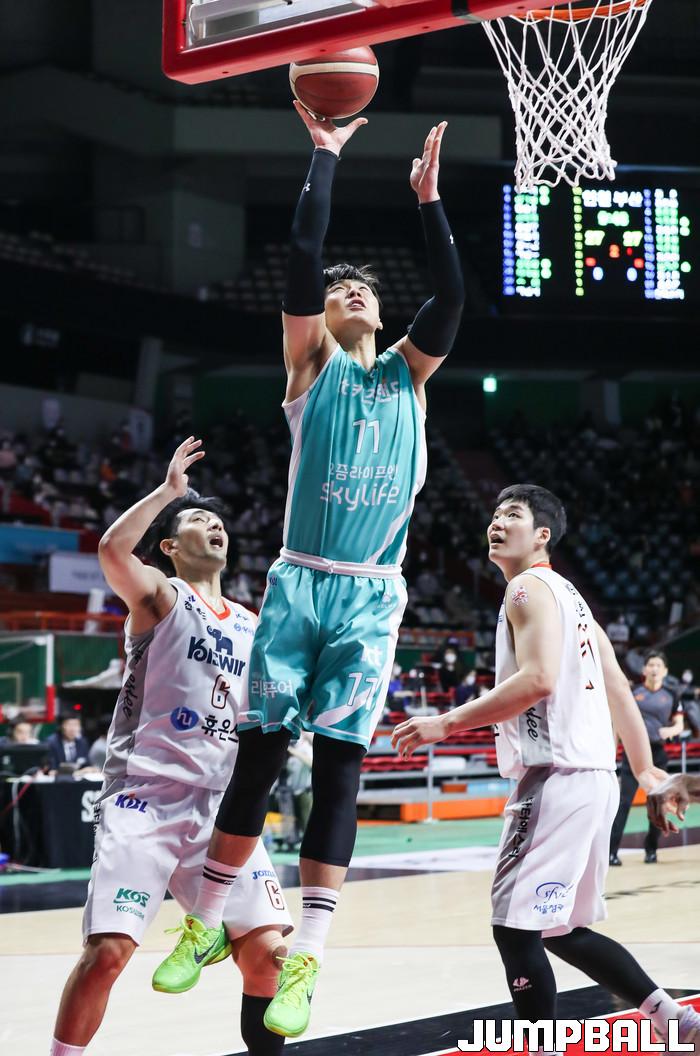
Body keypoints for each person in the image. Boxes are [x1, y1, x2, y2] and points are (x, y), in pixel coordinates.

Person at [155, 104, 464, 1039]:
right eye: (340, 291)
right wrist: (324, 154)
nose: (352, 292)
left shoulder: (408, 376)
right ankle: (205, 922)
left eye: (365, 289)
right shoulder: (310, 368)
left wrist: (430, 203)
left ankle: (310, 958)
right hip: (300, 581)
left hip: (370, 591)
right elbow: (301, 255)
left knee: (338, 770)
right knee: (258, 759)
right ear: (318, 319)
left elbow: (451, 296)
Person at [392, 484, 700, 1053]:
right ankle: (675, 1020)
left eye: (512, 514)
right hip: (595, 783)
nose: (496, 522)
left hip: (557, 780)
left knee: (514, 928)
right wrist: (647, 771)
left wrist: (446, 722)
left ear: (542, 536)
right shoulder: (574, 599)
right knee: (560, 929)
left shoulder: (527, 588)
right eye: (494, 513)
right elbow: (618, 687)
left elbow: (537, 680)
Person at [49, 438, 293, 1056]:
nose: (214, 526)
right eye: (198, 520)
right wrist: (169, 493)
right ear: (169, 546)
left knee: (269, 956)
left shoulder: (254, 625)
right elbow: (112, 550)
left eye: (218, 521)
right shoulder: (162, 596)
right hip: (145, 798)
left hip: (223, 810)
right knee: (108, 955)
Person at [609, 650, 685, 865]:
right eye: (650, 665)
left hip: (658, 755)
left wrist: (671, 731)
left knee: (658, 802)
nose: (654, 669)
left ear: (665, 671)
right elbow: (618, 722)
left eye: (658, 665)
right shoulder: (633, 693)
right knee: (623, 802)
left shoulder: (672, 695)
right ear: (644, 669)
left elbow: (679, 724)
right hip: (632, 755)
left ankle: (651, 850)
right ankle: (611, 852)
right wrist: (612, 749)